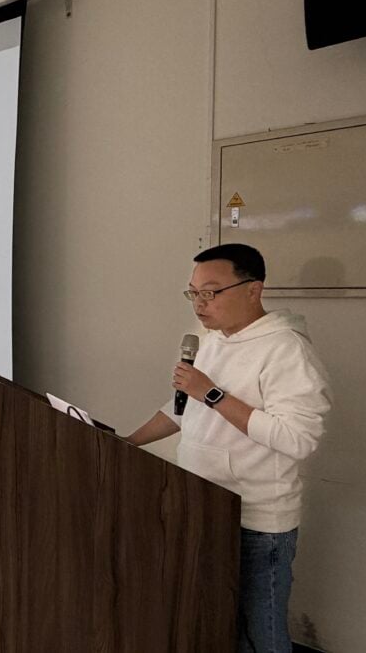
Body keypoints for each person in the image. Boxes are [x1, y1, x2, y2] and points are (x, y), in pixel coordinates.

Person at [125, 244, 331, 653]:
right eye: (193, 292)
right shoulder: (210, 340)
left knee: (261, 635)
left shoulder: (286, 349)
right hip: (203, 507)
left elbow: (298, 438)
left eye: (211, 292)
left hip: (256, 521)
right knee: (215, 623)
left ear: (253, 289)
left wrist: (212, 393)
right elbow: (182, 408)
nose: (199, 304)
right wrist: (126, 443)